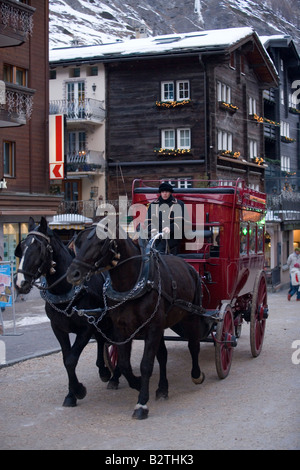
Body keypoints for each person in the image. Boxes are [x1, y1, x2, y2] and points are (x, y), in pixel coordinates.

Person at [144, 182, 189, 255]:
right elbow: (148, 221)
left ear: (170, 193)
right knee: (147, 250)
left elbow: (180, 221)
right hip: (155, 236)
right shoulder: (153, 205)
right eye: (163, 192)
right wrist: (152, 228)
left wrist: (170, 228)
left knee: (159, 251)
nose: (164, 193)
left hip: (172, 237)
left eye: (167, 192)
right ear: (160, 193)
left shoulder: (178, 204)